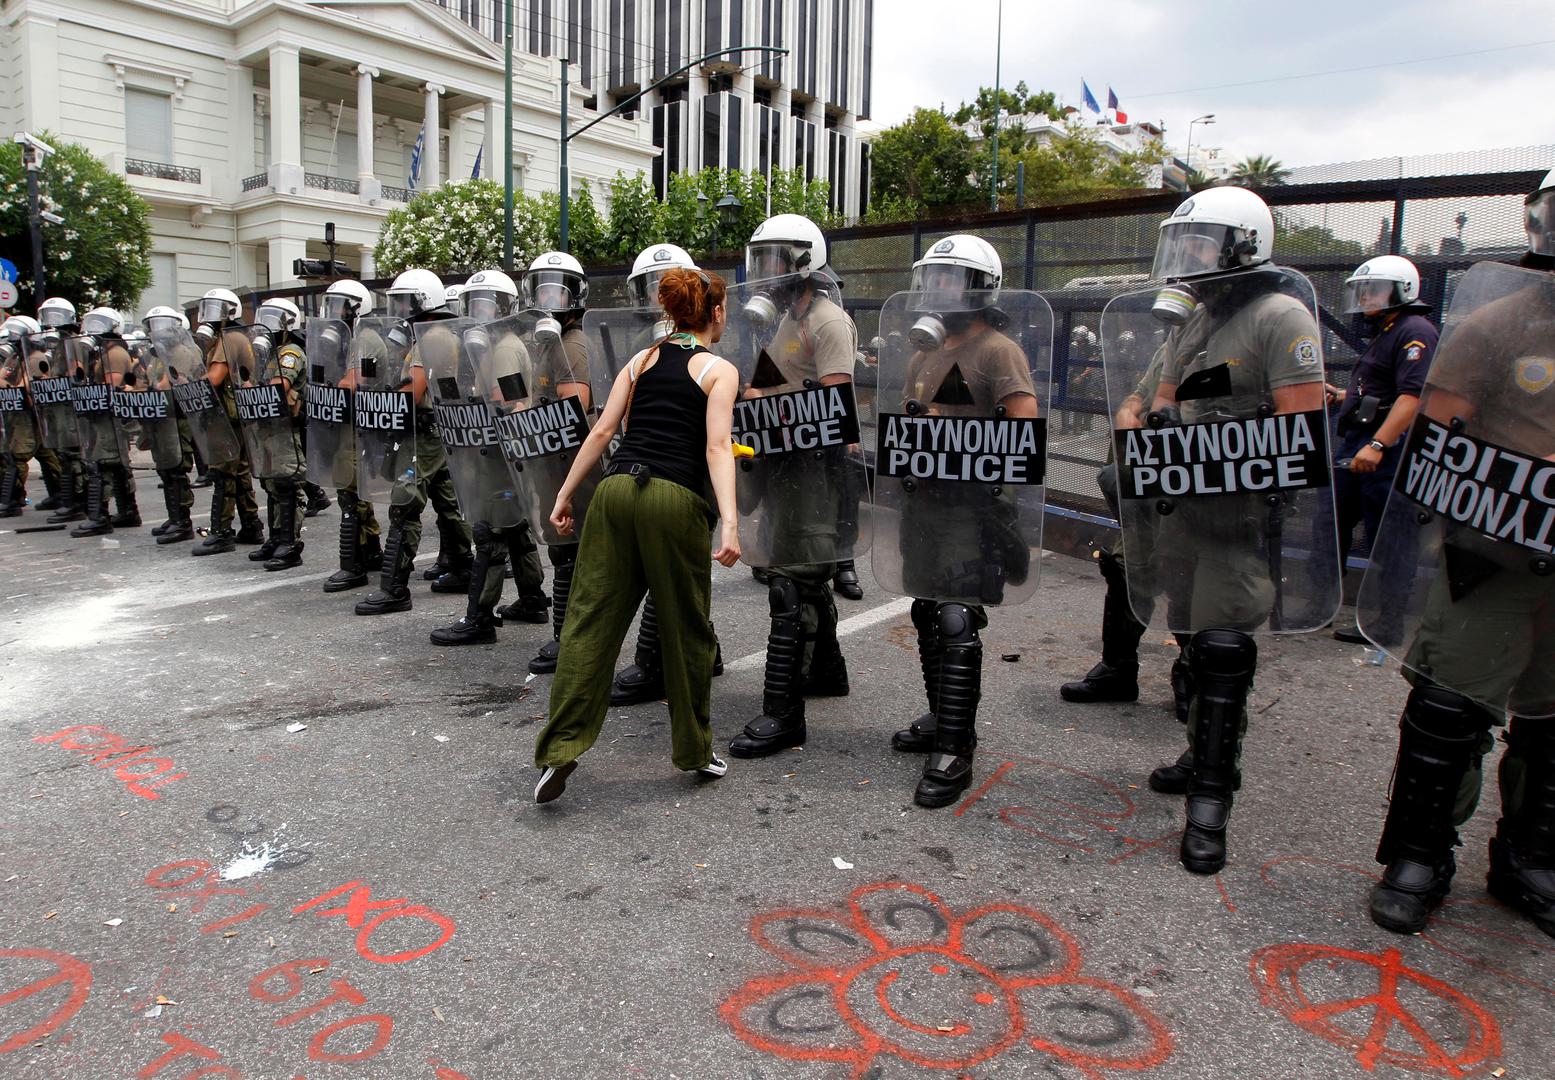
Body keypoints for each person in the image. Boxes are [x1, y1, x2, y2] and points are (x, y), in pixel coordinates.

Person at [1115, 186, 1335, 875]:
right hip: (1178, 511)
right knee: (1187, 638)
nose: (1188, 260)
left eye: (1201, 243)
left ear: (1242, 244)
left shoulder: (1279, 316)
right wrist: (1144, 436)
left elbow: (1296, 429)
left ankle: (1211, 799)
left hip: (1235, 520)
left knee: (1221, 649)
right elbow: (1152, 405)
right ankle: (1196, 750)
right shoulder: (1191, 324)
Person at [1362, 168, 1555, 939]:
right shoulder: (1500, 324)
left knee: (1550, 722)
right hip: (1497, 554)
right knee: (1448, 708)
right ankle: (1417, 855)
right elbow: (1441, 445)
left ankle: (1529, 856)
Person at [532, 268, 740, 803]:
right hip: (673, 498)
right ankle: (695, 751)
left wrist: (563, 495)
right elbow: (718, 449)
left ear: (673, 313)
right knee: (685, 627)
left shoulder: (641, 360)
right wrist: (733, 524)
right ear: (715, 313)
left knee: (589, 620)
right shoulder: (718, 370)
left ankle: (561, 750)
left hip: (616, 490)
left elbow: (602, 431)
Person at [883, 235, 1043, 807]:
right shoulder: (925, 352)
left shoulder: (998, 351)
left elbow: (1024, 432)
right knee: (926, 607)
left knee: (955, 616)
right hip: (924, 501)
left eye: (951, 279)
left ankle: (957, 745)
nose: (937, 290)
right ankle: (939, 713)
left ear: (979, 288)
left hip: (970, 508)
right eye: (933, 278)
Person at [727, 214, 860, 759]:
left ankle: (785, 715)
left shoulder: (828, 322)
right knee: (802, 574)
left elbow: (837, 409)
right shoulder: (786, 321)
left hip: (814, 471)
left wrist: (765, 407)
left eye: (775, 259)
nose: (765, 272)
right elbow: (772, 384)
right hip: (783, 466)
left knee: (791, 583)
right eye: (761, 259)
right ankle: (827, 670)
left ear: (804, 263)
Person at [428, 267, 551, 645]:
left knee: (490, 531)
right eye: (474, 304)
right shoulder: (495, 347)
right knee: (514, 527)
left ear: (504, 308)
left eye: (487, 304)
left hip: (498, 454)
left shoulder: (503, 349)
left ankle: (479, 617)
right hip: (503, 452)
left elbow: (507, 400)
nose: (479, 312)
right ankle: (531, 598)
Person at [1324, 255, 1436, 642]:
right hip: (1360, 441)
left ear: (1402, 290)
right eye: (1364, 290)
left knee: (1388, 536)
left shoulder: (1414, 330)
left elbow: (1413, 396)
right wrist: (1344, 396)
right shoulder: (1387, 331)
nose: (1367, 297)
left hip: (1386, 448)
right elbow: (1382, 390)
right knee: (1332, 521)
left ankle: (1388, 625)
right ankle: (1322, 605)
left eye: (1375, 289)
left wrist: (1377, 443)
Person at [355, 269, 474, 615]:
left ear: (426, 302)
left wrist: (382, 406)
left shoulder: (432, 338)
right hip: (436, 432)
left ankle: (395, 588)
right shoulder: (432, 334)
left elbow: (413, 390)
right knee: (448, 503)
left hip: (422, 435)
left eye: (407, 301)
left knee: (404, 506)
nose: (402, 309)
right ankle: (463, 567)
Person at [312, 279, 384, 593]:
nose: (334, 312)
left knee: (350, 489)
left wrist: (333, 382)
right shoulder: (349, 338)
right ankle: (370, 551)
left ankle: (352, 564)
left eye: (340, 305)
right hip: (350, 422)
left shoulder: (364, 339)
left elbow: (351, 383)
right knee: (355, 488)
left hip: (361, 424)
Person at [234, 297, 309, 571]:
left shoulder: (289, 353)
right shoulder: (270, 353)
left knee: (288, 485)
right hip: (266, 429)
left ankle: (290, 544)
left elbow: (279, 387)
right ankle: (276, 537)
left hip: (283, 430)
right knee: (271, 483)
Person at [190, 288, 265, 555]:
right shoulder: (230, 336)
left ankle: (221, 531)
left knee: (224, 473)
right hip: (237, 416)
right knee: (240, 471)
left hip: (229, 418)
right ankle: (251, 524)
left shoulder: (229, 338)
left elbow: (214, 378)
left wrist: (188, 387)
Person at [67, 307, 140, 537]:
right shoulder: (101, 353)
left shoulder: (115, 354)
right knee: (116, 465)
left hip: (111, 419)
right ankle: (128, 511)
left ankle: (100, 517)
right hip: (102, 419)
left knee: (102, 463)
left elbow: (111, 388)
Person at [137, 307, 198, 545]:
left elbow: (165, 385)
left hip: (178, 417)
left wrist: (148, 391)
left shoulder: (181, 352)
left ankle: (183, 521)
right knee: (165, 469)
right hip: (161, 416)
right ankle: (173, 517)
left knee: (177, 468)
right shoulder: (158, 356)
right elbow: (147, 381)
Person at [35, 297, 87, 523]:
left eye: (56, 316)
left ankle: (76, 501)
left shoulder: (74, 342)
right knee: (65, 454)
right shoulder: (57, 345)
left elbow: (78, 373)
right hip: (61, 407)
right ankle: (69, 501)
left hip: (72, 408)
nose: (51, 322)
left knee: (73, 455)